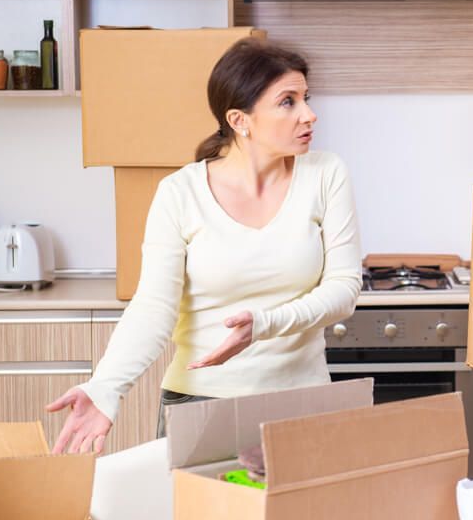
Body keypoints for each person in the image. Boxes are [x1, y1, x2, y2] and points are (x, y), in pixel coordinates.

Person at [46, 38, 362, 453]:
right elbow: (153, 307)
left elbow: (343, 289)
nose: (309, 114)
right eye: (288, 101)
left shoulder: (325, 173)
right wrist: (106, 387)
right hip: (201, 407)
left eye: (306, 97)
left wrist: (264, 324)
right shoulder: (180, 192)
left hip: (303, 402)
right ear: (239, 119)